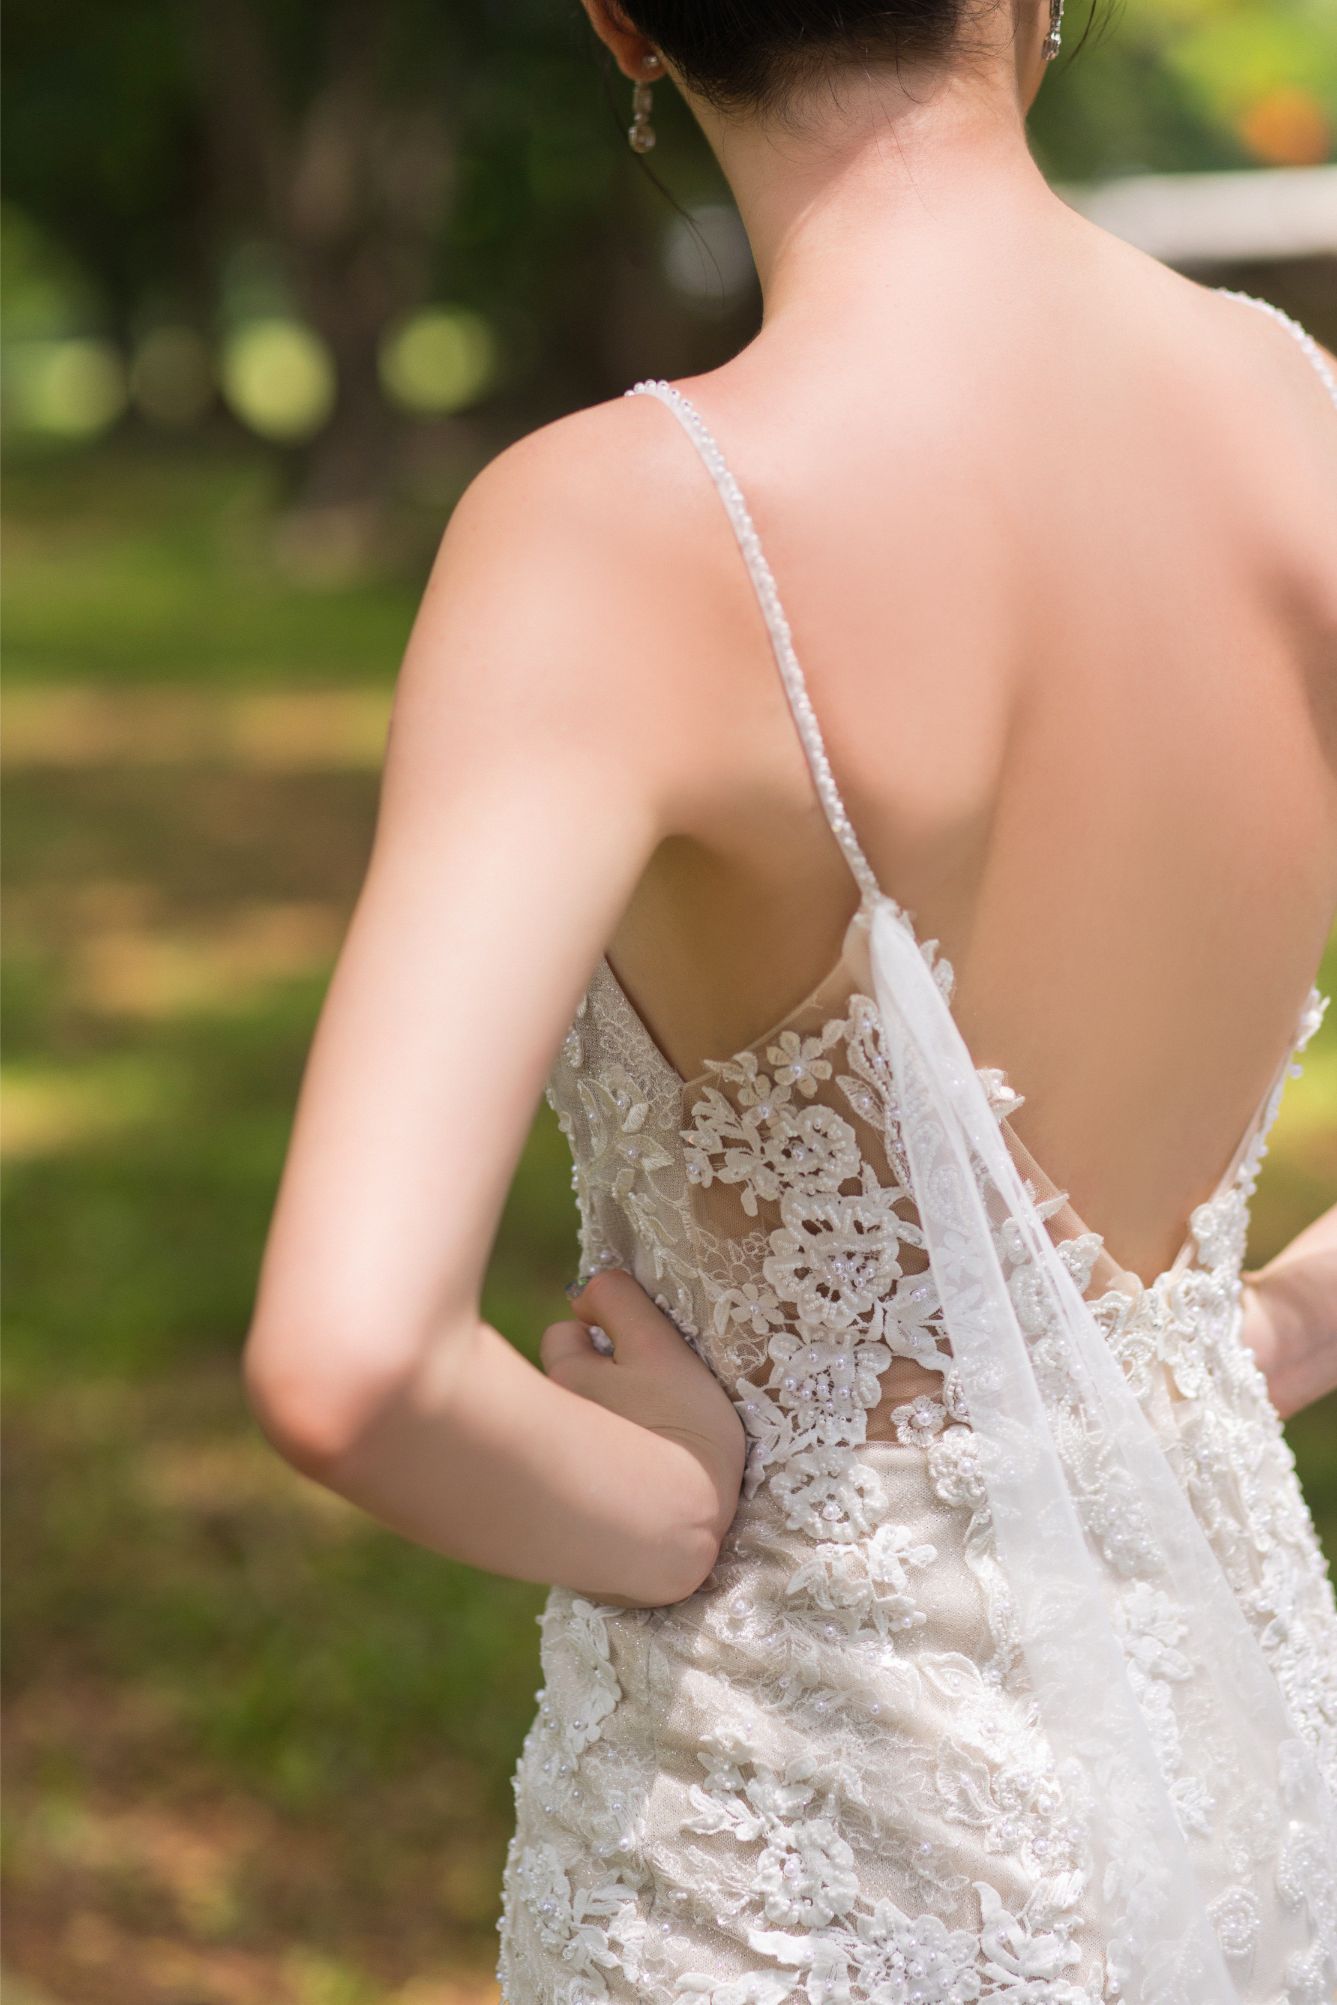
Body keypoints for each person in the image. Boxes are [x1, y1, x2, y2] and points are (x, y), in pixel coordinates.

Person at [241, 1, 1337, 1996]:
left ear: (623, 22)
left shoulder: (618, 532)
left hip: (795, 1848)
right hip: (1236, 1779)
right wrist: (1259, 1328)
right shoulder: (1299, 418)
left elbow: (351, 1358)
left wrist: (665, 1507)